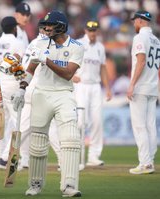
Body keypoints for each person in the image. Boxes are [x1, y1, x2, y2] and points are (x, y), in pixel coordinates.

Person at [11, 11, 84, 197]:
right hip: (42, 94)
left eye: (49, 25)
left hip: (64, 95)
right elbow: (30, 70)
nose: (45, 28)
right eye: (44, 25)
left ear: (61, 26)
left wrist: (46, 60)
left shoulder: (76, 47)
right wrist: (21, 88)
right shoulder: (39, 43)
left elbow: (68, 74)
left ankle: (69, 186)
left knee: (70, 139)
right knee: (37, 142)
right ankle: (35, 184)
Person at [20, 18, 62, 170]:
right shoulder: (43, 44)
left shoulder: (33, 43)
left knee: (24, 126)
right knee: (50, 126)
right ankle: (62, 159)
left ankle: (9, 157)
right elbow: (29, 67)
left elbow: (25, 67)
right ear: (42, 30)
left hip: (32, 87)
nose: (50, 30)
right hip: (38, 88)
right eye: (48, 28)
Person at [0, 16, 25, 169]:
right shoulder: (18, 43)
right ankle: (7, 157)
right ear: (14, 28)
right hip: (12, 85)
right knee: (19, 122)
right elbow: (21, 66)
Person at [74, 21, 112, 167]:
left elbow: (103, 68)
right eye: (90, 30)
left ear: (97, 31)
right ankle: (77, 155)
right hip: (81, 85)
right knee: (81, 122)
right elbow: (68, 61)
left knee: (97, 121)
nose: (92, 33)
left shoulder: (100, 47)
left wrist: (107, 88)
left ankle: (93, 156)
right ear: (85, 30)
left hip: (96, 86)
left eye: (94, 30)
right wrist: (71, 77)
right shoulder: (78, 44)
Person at [127, 10, 159, 174]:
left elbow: (141, 62)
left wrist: (132, 84)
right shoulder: (156, 40)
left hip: (141, 87)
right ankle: (150, 162)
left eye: (134, 21)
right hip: (153, 86)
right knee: (151, 126)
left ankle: (145, 163)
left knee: (140, 127)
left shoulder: (140, 37)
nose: (133, 23)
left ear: (140, 21)